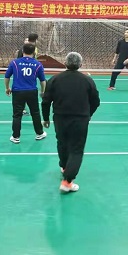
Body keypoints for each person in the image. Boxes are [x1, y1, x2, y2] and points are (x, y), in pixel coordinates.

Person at [42, 52, 100, 193]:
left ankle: (64, 167)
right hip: (80, 120)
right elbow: (96, 101)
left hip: (60, 118)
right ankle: (67, 181)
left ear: (65, 63)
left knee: (62, 143)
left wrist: (46, 118)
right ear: (80, 65)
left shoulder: (54, 79)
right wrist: (89, 114)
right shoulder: (87, 80)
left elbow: (46, 101)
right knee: (76, 149)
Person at [4, 43, 47, 144]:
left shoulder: (15, 63)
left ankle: (15, 137)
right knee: (35, 113)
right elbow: (43, 80)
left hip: (17, 91)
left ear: (22, 51)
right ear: (34, 52)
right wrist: (43, 91)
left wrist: (7, 88)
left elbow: (7, 76)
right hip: (32, 92)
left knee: (17, 115)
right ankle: (39, 133)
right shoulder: (38, 64)